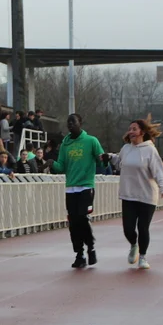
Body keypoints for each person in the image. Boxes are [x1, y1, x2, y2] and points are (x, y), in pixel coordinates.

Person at [107, 117, 163, 270]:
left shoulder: (150, 150)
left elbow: (159, 171)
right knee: (128, 228)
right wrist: (110, 157)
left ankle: (142, 257)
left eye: (134, 129)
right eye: (129, 129)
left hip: (147, 196)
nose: (131, 132)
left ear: (142, 132)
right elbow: (119, 162)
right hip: (128, 194)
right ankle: (134, 245)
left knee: (143, 227)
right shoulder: (126, 149)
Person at [50, 113, 105, 269]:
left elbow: (101, 161)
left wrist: (105, 160)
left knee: (82, 218)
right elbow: (61, 167)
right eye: (68, 122)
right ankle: (79, 254)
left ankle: (90, 247)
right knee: (73, 222)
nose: (70, 124)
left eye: (73, 122)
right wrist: (51, 164)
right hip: (71, 188)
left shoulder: (91, 141)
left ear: (80, 123)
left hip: (86, 186)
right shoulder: (65, 145)